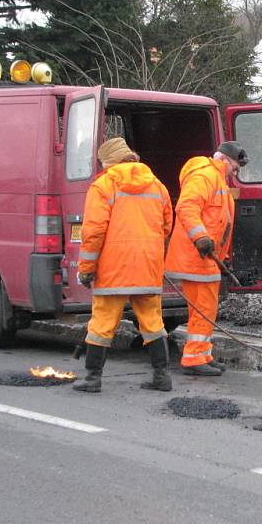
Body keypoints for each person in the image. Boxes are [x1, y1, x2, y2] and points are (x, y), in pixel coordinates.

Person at [74, 137, 174, 393]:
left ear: (108, 162)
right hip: (148, 265)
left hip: (114, 267)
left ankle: (93, 378)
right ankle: (162, 377)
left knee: (103, 322)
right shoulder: (157, 185)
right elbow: (166, 226)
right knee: (152, 321)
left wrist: (86, 269)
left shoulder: (104, 186)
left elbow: (93, 232)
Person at [164, 141, 249, 375]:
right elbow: (186, 207)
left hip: (206, 258)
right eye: (235, 166)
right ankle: (194, 359)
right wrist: (200, 238)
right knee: (203, 308)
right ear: (223, 159)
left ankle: (202, 353)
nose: (236, 171)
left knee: (206, 308)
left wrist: (224, 255)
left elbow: (219, 224)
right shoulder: (205, 177)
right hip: (197, 257)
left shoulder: (216, 180)